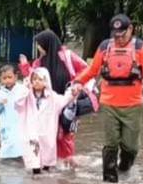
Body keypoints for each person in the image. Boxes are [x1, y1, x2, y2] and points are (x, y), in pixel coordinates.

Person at [73, 14, 143, 183]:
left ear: (130, 29)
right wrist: (78, 82)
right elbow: (92, 70)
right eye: (116, 35)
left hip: (133, 105)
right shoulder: (104, 47)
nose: (119, 39)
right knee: (111, 144)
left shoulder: (141, 49)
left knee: (131, 147)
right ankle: (109, 183)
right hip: (109, 104)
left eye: (123, 34)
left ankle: (124, 169)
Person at [18, 29, 95, 164]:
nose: (38, 48)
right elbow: (33, 78)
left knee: (66, 135)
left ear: (47, 44)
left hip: (69, 102)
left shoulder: (68, 56)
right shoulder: (39, 62)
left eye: (39, 44)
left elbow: (87, 70)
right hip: (49, 104)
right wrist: (25, 66)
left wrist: (76, 84)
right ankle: (50, 163)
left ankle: (67, 165)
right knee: (49, 134)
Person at [16, 67, 79, 175]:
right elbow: (18, 104)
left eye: (40, 79)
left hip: (47, 131)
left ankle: (45, 175)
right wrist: (24, 89)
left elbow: (64, 100)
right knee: (34, 157)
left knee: (46, 158)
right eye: (34, 79)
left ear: (46, 82)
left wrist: (72, 93)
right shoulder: (27, 96)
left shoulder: (52, 98)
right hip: (32, 132)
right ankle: (36, 175)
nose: (36, 82)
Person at [0, 64, 26, 159]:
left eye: (10, 77)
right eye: (4, 78)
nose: (7, 80)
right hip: (7, 126)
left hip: (20, 123)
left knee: (22, 148)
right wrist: (0, 103)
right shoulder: (0, 93)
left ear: (16, 77)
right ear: (0, 79)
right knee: (7, 152)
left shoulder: (22, 90)